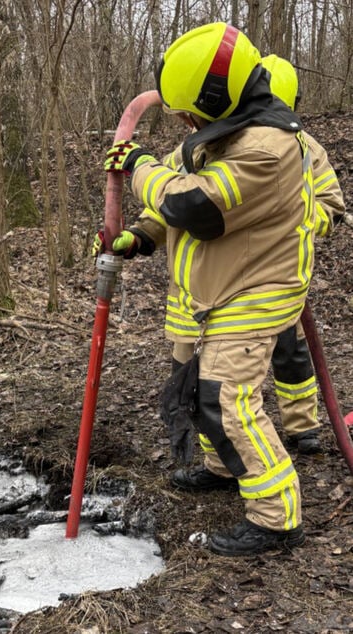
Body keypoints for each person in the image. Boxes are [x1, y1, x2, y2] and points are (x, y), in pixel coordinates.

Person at [102, 23, 314, 556]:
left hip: (255, 292)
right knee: (203, 395)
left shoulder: (269, 148)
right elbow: (167, 205)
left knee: (228, 398)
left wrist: (137, 166)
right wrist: (139, 237)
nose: (183, 123)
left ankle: (277, 518)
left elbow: (193, 205)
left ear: (215, 101)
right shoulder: (222, 134)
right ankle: (224, 469)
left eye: (188, 113)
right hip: (216, 293)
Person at [103, 53, 346, 457]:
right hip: (195, 294)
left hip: (260, 282)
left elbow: (328, 207)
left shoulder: (291, 148)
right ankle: (218, 460)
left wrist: (289, 217)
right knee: (202, 384)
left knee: (286, 362)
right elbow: (174, 198)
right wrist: (142, 235)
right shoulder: (201, 143)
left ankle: (302, 427)